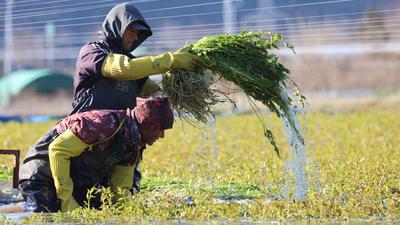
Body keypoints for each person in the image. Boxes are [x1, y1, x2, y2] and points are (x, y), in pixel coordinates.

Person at [19, 2, 198, 196]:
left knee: (118, 197)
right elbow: (123, 68)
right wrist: (172, 60)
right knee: (56, 205)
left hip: (106, 152)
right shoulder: (93, 52)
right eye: (131, 30)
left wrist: (184, 84)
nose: (135, 36)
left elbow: (157, 96)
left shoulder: (136, 72)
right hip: (80, 142)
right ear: (118, 27)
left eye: (138, 33)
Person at [19, 97, 174, 212]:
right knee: (43, 215)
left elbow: (120, 186)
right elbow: (58, 151)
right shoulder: (103, 124)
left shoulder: (133, 144)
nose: (161, 136)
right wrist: (66, 198)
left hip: (75, 181)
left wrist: (125, 214)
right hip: (41, 176)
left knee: (97, 210)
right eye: (160, 129)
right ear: (147, 125)